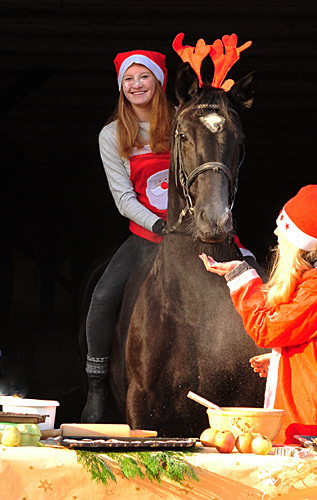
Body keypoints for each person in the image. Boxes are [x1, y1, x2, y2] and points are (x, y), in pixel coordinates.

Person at [200, 185, 317, 443]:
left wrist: (241, 278)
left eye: (283, 229)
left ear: (302, 240)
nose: (275, 233)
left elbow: (266, 329)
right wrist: (285, 360)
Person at [81, 50, 175, 423]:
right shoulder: (112, 134)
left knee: (247, 271)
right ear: (121, 87)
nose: (137, 85)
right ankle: (97, 387)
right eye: (129, 79)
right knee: (103, 296)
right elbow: (123, 197)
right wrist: (156, 225)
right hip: (146, 235)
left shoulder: (181, 123)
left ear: (158, 82)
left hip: (188, 234)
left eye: (144, 77)